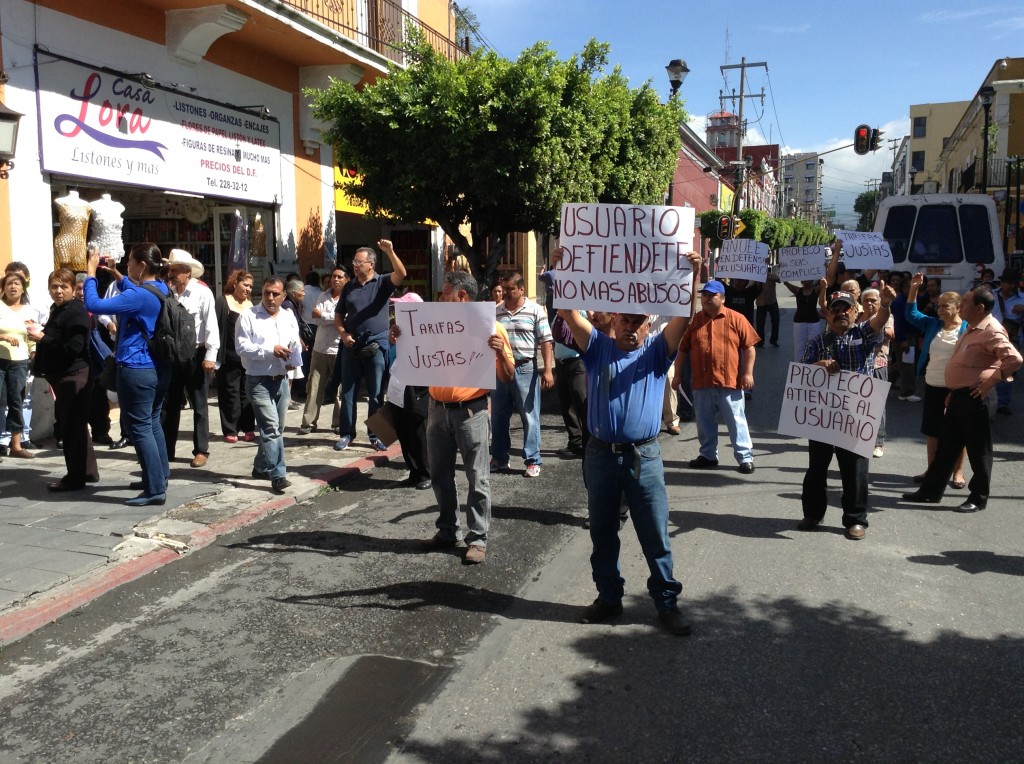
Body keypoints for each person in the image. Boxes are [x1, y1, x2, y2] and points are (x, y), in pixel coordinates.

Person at [557, 247, 702, 637]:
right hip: (601, 455)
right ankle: (608, 597)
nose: (631, 328)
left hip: (645, 456)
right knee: (602, 531)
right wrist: (563, 269)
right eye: (625, 320)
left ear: (648, 322)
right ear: (615, 318)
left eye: (639, 322)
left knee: (655, 533)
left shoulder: (657, 353)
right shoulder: (597, 348)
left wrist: (693, 277)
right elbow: (569, 313)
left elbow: (684, 318)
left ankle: (667, 604)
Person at [419, 270, 515, 564]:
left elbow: (508, 376)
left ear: (461, 296)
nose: (440, 298)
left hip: (471, 412)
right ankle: (448, 529)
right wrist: (403, 336)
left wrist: (499, 354)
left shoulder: (492, 328)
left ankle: (478, 538)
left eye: (445, 293)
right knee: (439, 475)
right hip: (436, 410)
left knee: (477, 477)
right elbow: (415, 354)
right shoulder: (433, 325)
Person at [902, 286, 1022, 513]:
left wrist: (989, 381)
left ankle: (978, 497)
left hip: (977, 398)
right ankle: (931, 491)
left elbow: (1014, 359)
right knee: (947, 446)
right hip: (959, 395)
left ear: (980, 308)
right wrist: (953, 390)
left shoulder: (991, 330)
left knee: (978, 450)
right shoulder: (973, 328)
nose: (961, 306)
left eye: (965, 302)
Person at [798, 287, 895, 539]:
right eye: (835, 309)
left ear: (855, 312)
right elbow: (803, 374)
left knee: (855, 471)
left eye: (846, 308)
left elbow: (879, 322)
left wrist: (884, 305)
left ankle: (855, 520)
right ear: (828, 314)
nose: (840, 313)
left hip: (855, 416)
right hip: (823, 416)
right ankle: (813, 514)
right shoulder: (818, 341)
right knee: (816, 468)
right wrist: (818, 366)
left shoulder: (863, 333)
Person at [83, 243, 172, 506]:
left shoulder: (139, 297)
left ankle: (154, 488)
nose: (127, 264)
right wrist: (116, 273)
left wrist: (91, 272)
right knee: (152, 422)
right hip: (159, 368)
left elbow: (93, 304)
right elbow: (133, 291)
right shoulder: (159, 288)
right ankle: (157, 477)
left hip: (137, 368)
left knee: (140, 427)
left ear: (141, 265)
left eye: (130, 261)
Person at [676, 279, 758, 473]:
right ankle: (708, 455)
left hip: (729, 382)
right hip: (702, 383)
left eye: (712, 295)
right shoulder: (695, 320)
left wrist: (747, 373)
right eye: (704, 295)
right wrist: (677, 376)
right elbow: (683, 349)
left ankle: (745, 457)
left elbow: (750, 348)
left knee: (736, 421)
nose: (706, 298)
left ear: (722, 298)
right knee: (704, 422)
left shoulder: (737, 318)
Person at [333, 240, 408, 451]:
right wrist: (343, 333)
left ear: (371, 264)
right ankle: (346, 434)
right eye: (354, 261)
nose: (355, 265)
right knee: (348, 391)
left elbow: (401, 273)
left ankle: (376, 435)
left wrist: (390, 251)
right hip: (351, 346)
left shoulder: (383, 282)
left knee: (376, 393)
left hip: (376, 345)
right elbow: (339, 315)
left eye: (359, 261)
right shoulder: (349, 286)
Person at [29, 268, 98, 491]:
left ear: (72, 288)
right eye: (54, 287)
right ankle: (87, 472)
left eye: (63, 287)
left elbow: (73, 348)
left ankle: (74, 478)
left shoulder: (76, 312)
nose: (58, 291)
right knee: (76, 426)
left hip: (74, 375)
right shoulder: (58, 309)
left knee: (71, 428)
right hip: (63, 376)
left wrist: (42, 338)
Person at [235, 276, 303, 495]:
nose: (271, 298)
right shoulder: (248, 316)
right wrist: (269, 350)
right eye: (267, 293)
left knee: (276, 429)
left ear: (284, 296)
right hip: (258, 381)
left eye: (275, 294)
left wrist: (293, 364)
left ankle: (260, 467)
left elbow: (294, 343)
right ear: (261, 293)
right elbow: (241, 347)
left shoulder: (288, 316)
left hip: (281, 381)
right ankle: (278, 474)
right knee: (272, 429)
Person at [904, 274, 968, 488]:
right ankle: (932, 471)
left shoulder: (967, 328)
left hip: (957, 388)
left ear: (958, 307)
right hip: (933, 385)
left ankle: (957, 473)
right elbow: (911, 314)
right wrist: (914, 288)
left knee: (958, 433)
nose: (940, 310)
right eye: (939, 306)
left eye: (945, 306)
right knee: (932, 431)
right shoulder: (933, 325)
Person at [492, 271, 555, 477]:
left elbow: (545, 340)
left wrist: (547, 370)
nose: (506, 293)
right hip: (500, 368)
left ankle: (533, 460)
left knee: (529, 415)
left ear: (521, 289)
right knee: (499, 415)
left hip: (525, 368)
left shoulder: (535, 310)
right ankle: (500, 458)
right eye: (504, 288)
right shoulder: (495, 312)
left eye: (510, 289)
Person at [161, 249, 219, 468]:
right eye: (170, 270)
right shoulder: (167, 292)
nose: (171, 274)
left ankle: (201, 449)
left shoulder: (202, 293)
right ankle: (167, 449)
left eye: (175, 271)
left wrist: (211, 355)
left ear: (187, 272)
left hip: (196, 354)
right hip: (173, 354)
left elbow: (211, 324)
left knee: (199, 403)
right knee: (171, 402)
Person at [386, 292, 433, 490]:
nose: (397, 312)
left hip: (418, 384)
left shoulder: (427, 329)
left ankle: (427, 473)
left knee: (418, 429)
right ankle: (414, 471)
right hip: (399, 382)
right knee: (402, 427)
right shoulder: (398, 329)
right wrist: (392, 338)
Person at [299, 267, 347, 436]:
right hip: (319, 348)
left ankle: (339, 423)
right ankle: (308, 422)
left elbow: (344, 321)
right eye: (333, 276)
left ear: (346, 280)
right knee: (314, 386)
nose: (335, 279)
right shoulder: (323, 295)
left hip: (338, 348)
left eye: (339, 277)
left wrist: (326, 316)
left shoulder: (348, 297)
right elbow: (315, 317)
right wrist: (332, 318)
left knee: (339, 389)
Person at [0, 270, 42, 459]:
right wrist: (3, 337)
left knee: (16, 401)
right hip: (0, 360)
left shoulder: (28, 310)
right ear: (3, 289)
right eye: (9, 283)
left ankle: (16, 446)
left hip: (20, 362)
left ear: (23, 288)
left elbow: (32, 334)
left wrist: (33, 350)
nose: (13, 286)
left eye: (17, 283)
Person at [214, 269, 256, 443]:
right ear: (235, 284)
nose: (248, 289)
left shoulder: (251, 306)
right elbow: (215, 328)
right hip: (228, 356)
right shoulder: (223, 302)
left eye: (251, 286)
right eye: (245, 285)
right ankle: (230, 429)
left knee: (247, 394)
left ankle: (248, 427)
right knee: (229, 393)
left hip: (247, 358)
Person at [859, 288, 894, 458]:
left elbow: (890, 333)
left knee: (877, 406)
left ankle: (878, 442)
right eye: (867, 300)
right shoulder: (857, 316)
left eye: (874, 300)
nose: (870, 303)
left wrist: (874, 328)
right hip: (857, 366)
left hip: (877, 365)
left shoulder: (884, 316)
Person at [992, 271, 1023, 415]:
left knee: (1006, 370)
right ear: (1002, 283)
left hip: (1011, 339)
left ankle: (1002, 403)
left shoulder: (1022, 298)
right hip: (989, 337)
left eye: (1014, 284)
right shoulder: (990, 295)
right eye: (1009, 283)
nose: (1011, 286)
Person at [783, 279, 823, 361]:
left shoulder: (816, 289)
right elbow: (786, 283)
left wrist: (825, 269)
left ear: (812, 280)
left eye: (808, 279)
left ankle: (813, 366)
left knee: (814, 345)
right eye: (804, 280)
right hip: (799, 322)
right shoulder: (798, 290)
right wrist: (783, 273)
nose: (806, 281)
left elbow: (827, 283)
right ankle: (799, 367)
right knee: (799, 347)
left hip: (814, 322)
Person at [755, 270, 781, 348]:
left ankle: (774, 340)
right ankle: (760, 342)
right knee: (760, 324)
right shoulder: (756, 277)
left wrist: (768, 276)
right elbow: (750, 285)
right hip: (761, 303)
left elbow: (779, 279)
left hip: (772, 302)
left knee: (776, 321)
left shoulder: (771, 276)